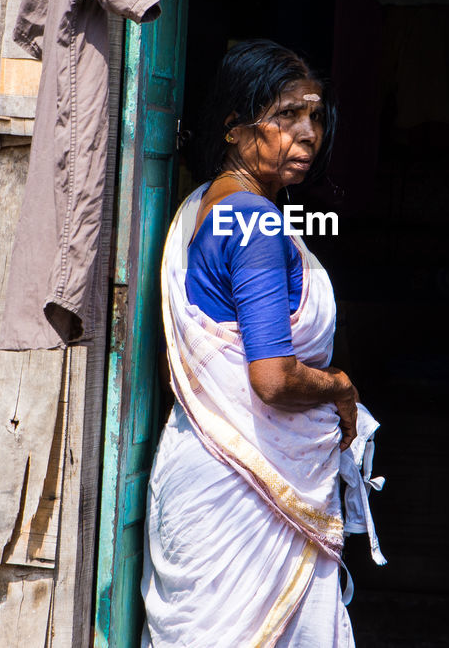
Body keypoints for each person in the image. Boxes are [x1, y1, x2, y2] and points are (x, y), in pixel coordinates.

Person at [142, 40, 361, 646]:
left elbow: (183, 366)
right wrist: (341, 388)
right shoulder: (258, 226)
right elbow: (272, 379)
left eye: (314, 116)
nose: (307, 133)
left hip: (200, 470)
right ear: (236, 130)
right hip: (240, 491)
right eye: (285, 116)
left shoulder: (200, 207)